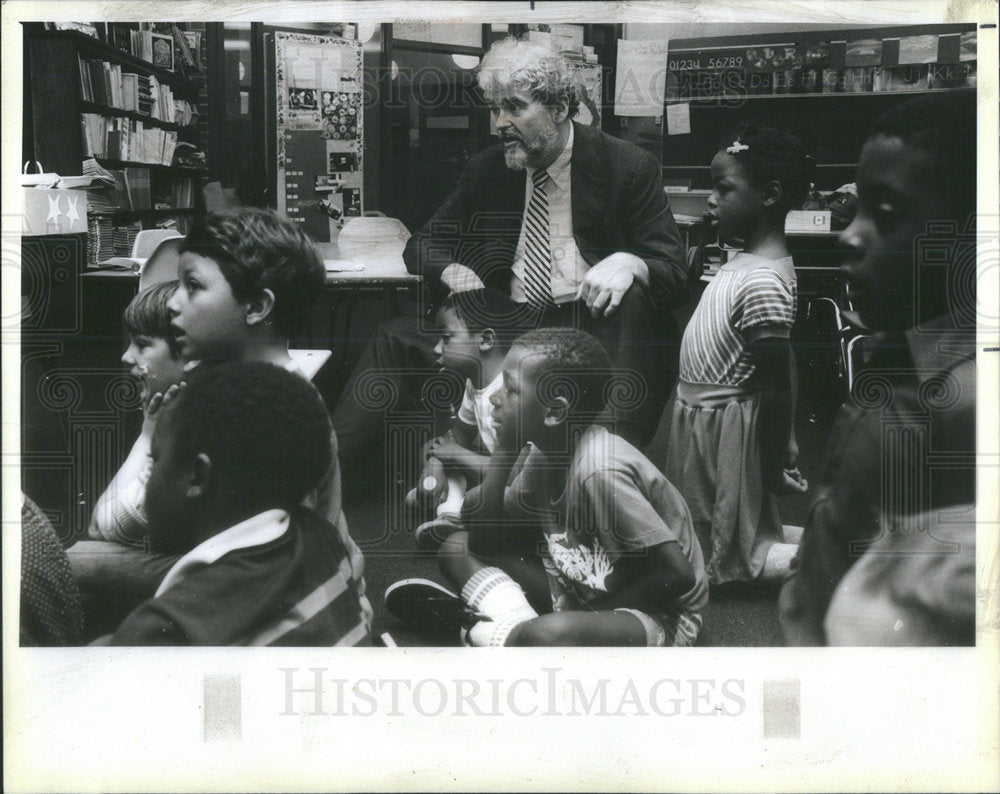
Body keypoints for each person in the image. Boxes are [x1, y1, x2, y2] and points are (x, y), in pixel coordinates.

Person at [332, 37, 688, 478]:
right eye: (494, 108)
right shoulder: (489, 168)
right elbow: (420, 244)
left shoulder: (626, 165)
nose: (499, 123)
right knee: (393, 335)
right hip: (507, 322)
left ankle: (606, 474)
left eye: (515, 108)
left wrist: (631, 263)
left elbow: (674, 272)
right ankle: (324, 477)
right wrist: (453, 271)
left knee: (631, 300)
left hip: (588, 325)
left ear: (558, 109)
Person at [67, 209, 371, 635]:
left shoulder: (270, 413)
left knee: (81, 565)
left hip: (294, 594)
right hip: (270, 573)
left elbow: (275, 566)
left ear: (256, 306)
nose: (173, 301)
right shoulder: (234, 386)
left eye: (193, 286)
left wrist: (108, 569)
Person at [779, 91, 976, 645]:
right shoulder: (902, 368)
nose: (850, 234)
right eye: (857, 207)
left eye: (885, 215)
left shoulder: (932, 410)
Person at [385, 328, 707, 647]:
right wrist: (505, 451)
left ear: (554, 411)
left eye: (509, 389)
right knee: (456, 547)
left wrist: (590, 617)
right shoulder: (543, 452)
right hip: (578, 588)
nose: (495, 399)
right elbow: (483, 541)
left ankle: (488, 631)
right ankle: (510, 633)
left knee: (546, 635)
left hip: (657, 615)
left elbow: (677, 576)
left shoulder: (599, 469)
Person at [109, 362, 371, 646]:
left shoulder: (165, 629)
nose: (148, 477)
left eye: (155, 460)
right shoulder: (324, 539)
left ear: (197, 476)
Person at [666, 124, 810, 584]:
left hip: (722, 430)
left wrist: (772, 461)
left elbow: (778, 384)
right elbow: (783, 363)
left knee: (727, 554)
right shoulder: (744, 262)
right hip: (700, 420)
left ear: (769, 195)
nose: (712, 199)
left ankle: (829, 557)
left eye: (723, 188)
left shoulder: (762, 278)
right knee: (711, 530)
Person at [405, 288, 532, 549]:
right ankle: (451, 509)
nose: (437, 348)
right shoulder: (473, 383)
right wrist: (436, 463)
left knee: (481, 495)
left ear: (485, 340)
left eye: (446, 337)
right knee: (431, 450)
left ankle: (455, 514)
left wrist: (454, 454)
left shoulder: (511, 392)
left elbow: (515, 474)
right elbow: (459, 432)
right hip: (492, 469)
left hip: (520, 483)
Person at [88, 280, 187, 549]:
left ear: (187, 353)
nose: (126, 356)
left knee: (84, 556)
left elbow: (100, 526)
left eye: (141, 344)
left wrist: (148, 434)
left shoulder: (187, 429)